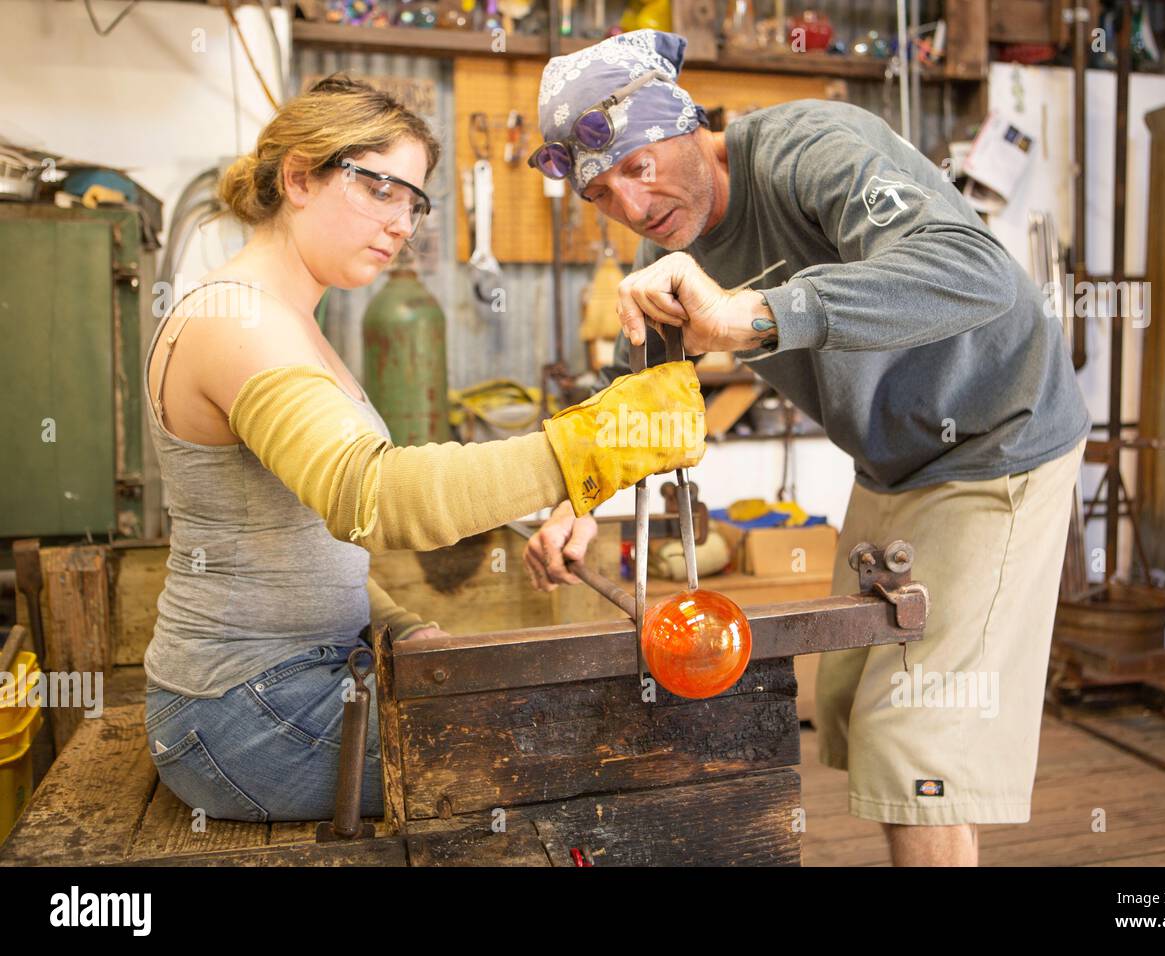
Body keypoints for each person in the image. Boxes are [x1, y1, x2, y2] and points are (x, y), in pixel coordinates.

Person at [524, 31, 1091, 866]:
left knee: (918, 735)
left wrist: (760, 315)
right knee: (854, 707)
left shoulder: (812, 146)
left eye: (638, 167)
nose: (634, 207)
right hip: (895, 460)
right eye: (602, 194)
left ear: (687, 124)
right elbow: (640, 397)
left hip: (996, 434)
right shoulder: (666, 252)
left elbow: (974, 273)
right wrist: (578, 501)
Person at [142, 74, 704, 822]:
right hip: (242, 716)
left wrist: (398, 627)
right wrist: (598, 441)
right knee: (586, 746)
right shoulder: (236, 324)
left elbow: (307, 541)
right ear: (300, 176)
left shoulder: (286, 320)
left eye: (416, 202)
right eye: (381, 190)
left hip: (295, 682)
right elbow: (370, 498)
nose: (403, 222)